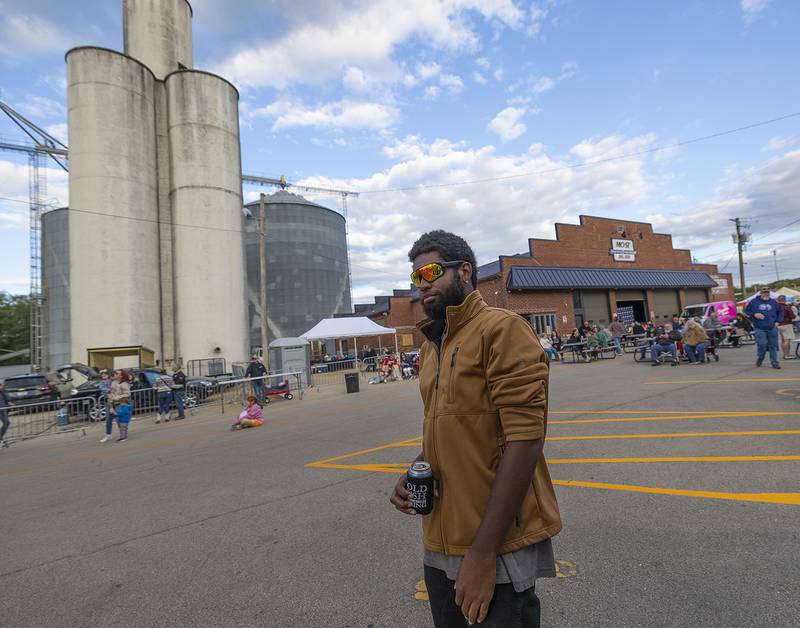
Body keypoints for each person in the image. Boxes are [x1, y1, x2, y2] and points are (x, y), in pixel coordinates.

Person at [390, 230, 561, 628]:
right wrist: (417, 468)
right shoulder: (434, 347)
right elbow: (450, 431)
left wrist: (483, 555)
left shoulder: (502, 330)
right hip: (440, 539)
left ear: (464, 271)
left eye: (431, 271)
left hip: (495, 542)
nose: (423, 284)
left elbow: (525, 440)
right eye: (417, 278)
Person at [744, 288, 784, 369]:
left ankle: (774, 362)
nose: (766, 294)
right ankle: (760, 358)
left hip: (772, 327)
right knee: (762, 345)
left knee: (773, 346)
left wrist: (778, 321)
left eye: (767, 292)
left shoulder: (773, 302)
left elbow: (780, 311)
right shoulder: (754, 302)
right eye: (764, 292)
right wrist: (754, 314)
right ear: (761, 293)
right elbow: (746, 311)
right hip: (759, 328)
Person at [102, 370, 130, 443]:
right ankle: (108, 435)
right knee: (108, 419)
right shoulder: (113, 382)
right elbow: (111, 392)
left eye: (117, 373)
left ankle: (123, 436)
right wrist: (111, 404)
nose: (114, 374)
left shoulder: (124, 384)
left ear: (121, 376)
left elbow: (127, 394)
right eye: (114, 373)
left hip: (120, 403)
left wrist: (117, 397)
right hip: (111, 403)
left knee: (119, 420)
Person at [776, 295, 796, 360]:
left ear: (778, 300)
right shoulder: (786, 307)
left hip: (779, 325)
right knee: (787, 340)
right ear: (784, 300)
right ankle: (787, 355)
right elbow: (792, 316)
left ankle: (785, 354)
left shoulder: (775, 307)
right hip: (787, 324)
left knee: (783, 340)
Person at [0, 381, 11, 449]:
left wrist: (9, 402)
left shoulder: (3, 390)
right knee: (6, 422)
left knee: (7, 423)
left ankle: (0, 439)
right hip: (1, 409)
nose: (2, 385)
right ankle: (0, 440)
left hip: (3, 408)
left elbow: (7, 398)